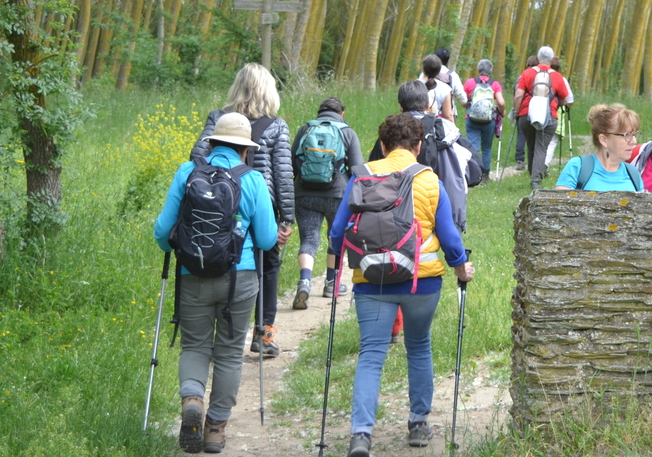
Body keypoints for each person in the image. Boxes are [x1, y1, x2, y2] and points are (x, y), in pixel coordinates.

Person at [329, 114, 474, 457]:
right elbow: (449, 235)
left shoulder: (362, 175)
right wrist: (460, 267)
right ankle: (418, 424)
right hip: (421, 281)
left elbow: (337, 232)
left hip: (372, 279)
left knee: (371, 353)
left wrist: (338, 265)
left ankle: (361, 434)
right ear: (418, 146)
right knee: (419, 345)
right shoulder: (429, 179)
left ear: (382, 145)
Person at [156, 112, 278, 454]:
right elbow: (267, 239)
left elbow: (163, 234)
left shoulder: (187, 173)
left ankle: (192, 399)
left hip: (192, 275)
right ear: (245, 149)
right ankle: (215, 429)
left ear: (211, 144)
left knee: (195, 346)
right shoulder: (252, 179)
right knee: (228, 352)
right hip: (240, 278)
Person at [191, 63, 293, 357]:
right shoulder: (276, 126)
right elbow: (283, 174)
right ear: (268, 91)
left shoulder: (218, 118)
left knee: (219, 258)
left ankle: (216, 333)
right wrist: (286, 218)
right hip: (260, 204)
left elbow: (197, 157)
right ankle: (263, 334)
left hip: (217, 202)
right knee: (268, 267)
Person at [290, 97, 365, 308]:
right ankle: (331, 283)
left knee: (309, 239)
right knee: (335, 238)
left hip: (305, 194)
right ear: (342, 113)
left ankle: (305, 281)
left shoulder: (305, 129)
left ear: (319, 112)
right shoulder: (347, 132)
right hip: (337, 195)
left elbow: (292, 163)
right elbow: (357, 169)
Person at [368, 81, 470, 231]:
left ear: (400, 106)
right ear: (428, 105)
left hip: (392, 211)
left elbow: (373, 171)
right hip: (433, 201)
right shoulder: (443, 130)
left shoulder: (390, 131)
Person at [513, 45, 574, 190]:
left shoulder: (527, 73)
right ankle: (535, 181)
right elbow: (565, 99)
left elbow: (519, 95)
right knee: (541, 148)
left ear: (538, 57)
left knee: (531, 145)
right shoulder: (557, 76)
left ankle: (532, 174)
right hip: (549, 116)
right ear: (551, 59)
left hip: (526, 114)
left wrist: (517, 111)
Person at [555, 103, 644, 192]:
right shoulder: (578, 167)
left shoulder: (633, 174)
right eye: (627, 135)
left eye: (634, 134)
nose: (634, 141)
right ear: (604, 140)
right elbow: (560, 200)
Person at [463, 58, 506, 173]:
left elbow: (463, 102)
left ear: (478, 70)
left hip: (471, 119)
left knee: (472, 146)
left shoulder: (470, 82)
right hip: (489, 120)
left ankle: (473, 172)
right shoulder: (494, 84)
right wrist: (502, 112)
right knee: (486, 148)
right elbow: (501, 102)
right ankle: (485, 174)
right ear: (490, 71)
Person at [514, 55, 539, 167]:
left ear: (527, 64)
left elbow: (517, 95)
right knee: (536, 138)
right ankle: (535, 163)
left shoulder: (522, 76)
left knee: (521, 134)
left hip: (523, 110)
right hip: (538, 110)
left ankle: (520, 159)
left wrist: (516, 110)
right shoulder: (542, 76)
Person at [418, 54, 455, 121]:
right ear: (439, 70)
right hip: (434, 124)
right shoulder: (445, 88)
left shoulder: (412, 85)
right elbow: (447, 115)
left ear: (423, 69)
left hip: (413, 122)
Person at [434, 47, 468, 117]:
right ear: (448, 61)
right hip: (448, 114)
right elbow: (462, 97)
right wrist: (466, 103)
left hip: (429, 113)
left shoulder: (426, 74)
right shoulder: (452, 75)